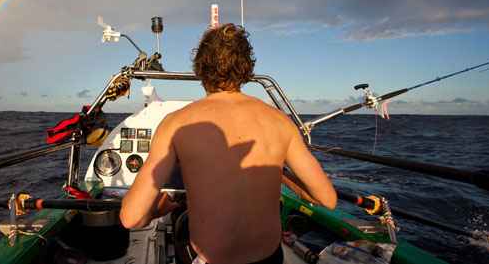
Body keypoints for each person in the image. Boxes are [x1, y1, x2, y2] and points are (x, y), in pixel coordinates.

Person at [120, 23, 337, 264]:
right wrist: (280, 173)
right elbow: (327, 199)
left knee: (180, 225)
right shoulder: (280, 122)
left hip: (211, 259)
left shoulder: (176, 124)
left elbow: (131, 218)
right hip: (268, 258)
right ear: (246, 68)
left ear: (200, 68)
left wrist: (156, 211)